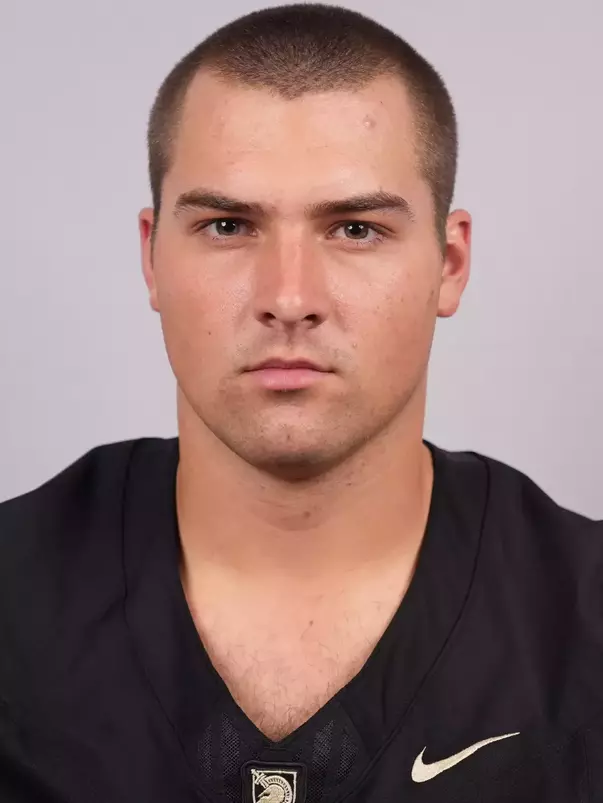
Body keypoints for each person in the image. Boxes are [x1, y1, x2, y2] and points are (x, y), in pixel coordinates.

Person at [0, 3, 601, 802]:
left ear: (449, 263)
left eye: (354, 229)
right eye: (226, 225)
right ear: (149, 257)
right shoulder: (15, 603)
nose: (288, 297)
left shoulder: (583, 626)